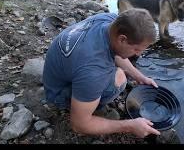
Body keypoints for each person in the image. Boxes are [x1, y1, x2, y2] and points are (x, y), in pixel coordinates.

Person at [43, 8, 161, 138]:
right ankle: (79, 105)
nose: (139, 54)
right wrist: (129, 126)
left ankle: (86, 98)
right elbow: (79, 125)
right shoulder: (94, 72)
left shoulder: (108, 20)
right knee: (120, 79)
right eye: (136, 49)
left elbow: (116, 52)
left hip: (58, 72)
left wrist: (140, 76)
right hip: (58, 93)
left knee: (115, 71)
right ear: (122, 39)